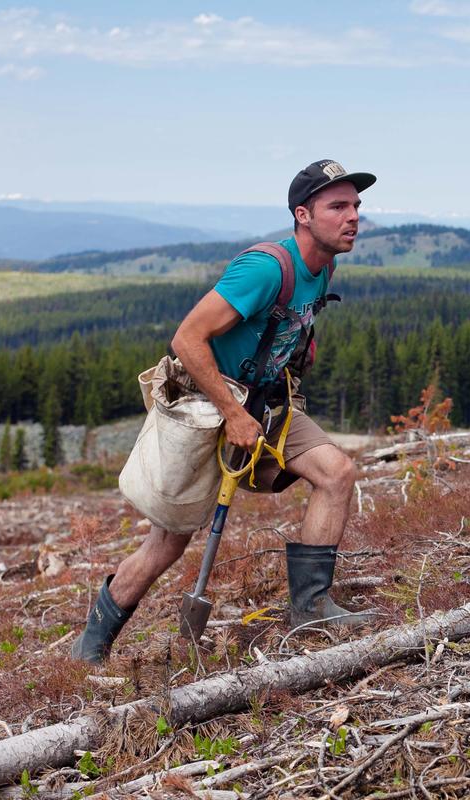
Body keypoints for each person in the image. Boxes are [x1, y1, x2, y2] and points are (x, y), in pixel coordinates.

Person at [71, 159, 378, 663]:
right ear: (303, 214)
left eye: (356, 206)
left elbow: (285, 321)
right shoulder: (264, 268)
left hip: (266, 401)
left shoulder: (325, 267)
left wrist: (299, 346)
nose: (352, 217)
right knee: (168, 543)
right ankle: (92, 645)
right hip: (208, 406)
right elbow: (187, 338)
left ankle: (311, 606)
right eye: (338, 206)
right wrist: (232, 414)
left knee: (336, 472)